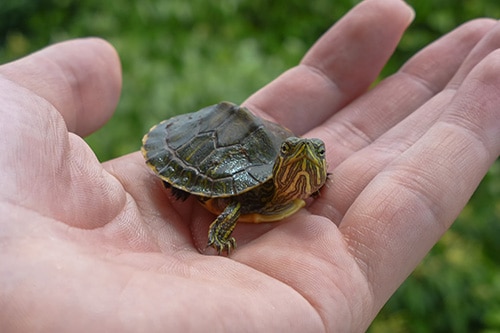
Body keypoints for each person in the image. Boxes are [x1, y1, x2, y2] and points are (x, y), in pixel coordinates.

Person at [1, 0, 499, 331]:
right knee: (220, 193)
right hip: (204, 143)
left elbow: (309, 167)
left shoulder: (301, 179)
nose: (309, 161)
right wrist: (220, 226)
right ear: (284, 166)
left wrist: (315, 180)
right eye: (300, 159)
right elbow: (231, 200)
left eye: (314, 160)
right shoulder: (253, 191)